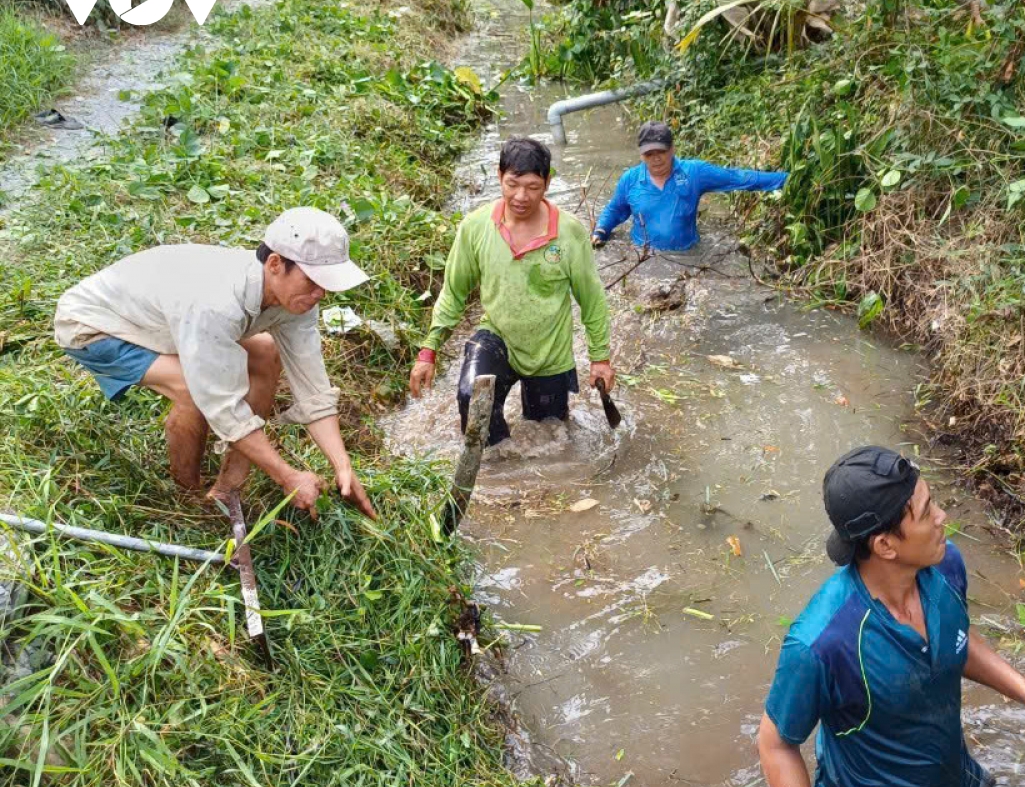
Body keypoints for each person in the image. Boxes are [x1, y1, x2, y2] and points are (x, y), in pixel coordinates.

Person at [758, 446, 1025, 787]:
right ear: (885, 545)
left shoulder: (944, 565)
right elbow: (775, 745)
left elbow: (955, 636)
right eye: (925, 511)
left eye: (933, 500)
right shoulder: (823, 643)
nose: (941, 516)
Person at [54, 207, 376, 521]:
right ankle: (188, 498)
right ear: (276, 264)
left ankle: (228, 488)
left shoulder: (297, 299)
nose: (320, 293)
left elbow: (312, 387)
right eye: (313, 281)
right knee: (193, 390)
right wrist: (288, 476)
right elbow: (222, 405)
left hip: (162, 323)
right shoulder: (216, 303)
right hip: (92, 327)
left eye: (327, 284)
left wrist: (342, 466)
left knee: (266, 352)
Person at [409, 137, 615, 445]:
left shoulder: (569, 232)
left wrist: (600, 358)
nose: (521, 196)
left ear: (547, 182)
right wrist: (429, 349)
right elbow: (453, 291)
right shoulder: (476, 227)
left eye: (532, 187)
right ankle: (496, 471)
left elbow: (591, 298)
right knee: (472, 399)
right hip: (497, 335)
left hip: (549, 351)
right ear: (499, 176)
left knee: (548, 435)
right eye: (512, 184)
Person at [589, 120, 789, 251]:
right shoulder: (630, 179)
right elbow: (615, 209)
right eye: (649, 154)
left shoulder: (694, 172)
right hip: (643, 258)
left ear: (673, 149)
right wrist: (600, 231)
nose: (656, 159)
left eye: (661, 152)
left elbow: (738, 178)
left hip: (689, 255)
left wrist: (787, 179)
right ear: (641, 154)